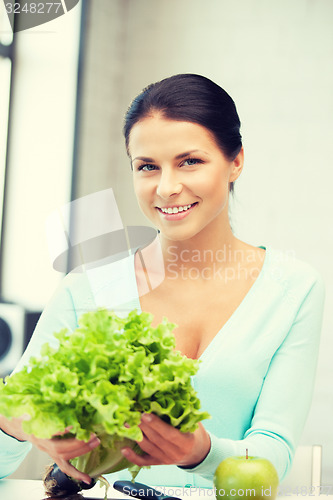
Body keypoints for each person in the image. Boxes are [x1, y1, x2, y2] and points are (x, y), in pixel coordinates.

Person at [0, 74, 325, 488]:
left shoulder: (293, 289)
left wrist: (201, 453)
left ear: (236, 161)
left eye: (190, 161)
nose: (167, 187)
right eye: (148, 167)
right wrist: (16, 423)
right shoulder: (85, 290)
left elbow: (272, 456)